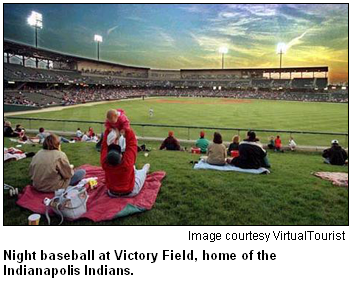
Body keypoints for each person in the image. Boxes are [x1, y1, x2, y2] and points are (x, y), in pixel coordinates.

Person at [101, 127, 150, 197]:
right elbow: (132, 143)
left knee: (132, 168)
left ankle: (136, 170)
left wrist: (109, 128)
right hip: (131, 192)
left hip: (112, 193)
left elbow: (104, 146)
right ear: (121, 156)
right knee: (141, 173)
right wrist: (126, 129)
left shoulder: (105, 164)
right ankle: (145, 169)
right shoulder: (127, 163)